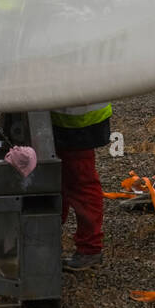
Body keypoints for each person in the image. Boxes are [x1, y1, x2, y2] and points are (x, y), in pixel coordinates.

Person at [50, 101, 112, 271]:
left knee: (81, 182)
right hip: (70, 115)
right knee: (57, 178)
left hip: (76, 119)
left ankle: (90, 249)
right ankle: (48, 240)